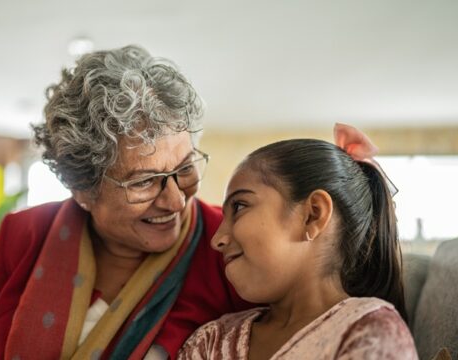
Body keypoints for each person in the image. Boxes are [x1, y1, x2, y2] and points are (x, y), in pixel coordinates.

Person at [0, 45, 251, 360]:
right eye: (143, 181)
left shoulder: (230, 245)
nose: (175, 201)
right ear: (83, 189)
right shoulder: (23, 235)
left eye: (185, 168)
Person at [178, 124, 418, 359]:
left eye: (239, 206)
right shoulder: (210, 341)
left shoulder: (370, 331)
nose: (216, 240)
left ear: (313, 214)